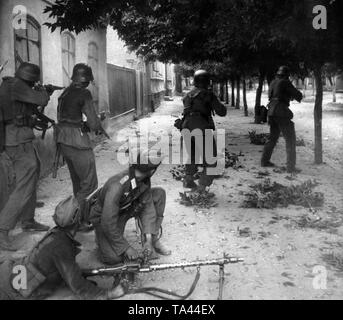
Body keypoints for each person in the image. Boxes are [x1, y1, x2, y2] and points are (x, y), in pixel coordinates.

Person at [0, 196, 125, 300]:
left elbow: (56, 268)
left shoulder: (56, 234)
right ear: (77, 220)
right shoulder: (62, 246)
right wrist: (106, 294)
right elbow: (77, 285)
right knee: (79, 295)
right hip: (15, 292)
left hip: (12, 277)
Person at [0, 62, 51, 252]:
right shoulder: (18, 86)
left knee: (33, 173)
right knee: (23, 184)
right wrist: (43, 90)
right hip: (17, 140)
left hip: (20, 138)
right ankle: (3, 229)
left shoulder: (12, 84)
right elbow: (42, 100)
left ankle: (28, 220)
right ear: (31, 78)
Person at [88, 150, 171, 265]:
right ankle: (101, 240)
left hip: (128, 207)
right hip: (105, 217)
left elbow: (147, 207)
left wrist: (148, 239)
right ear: (152, 171)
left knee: (159, 194)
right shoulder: (116, 187)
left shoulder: (144, 177)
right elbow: (107, 222)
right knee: (113, 258)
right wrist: (126, 248)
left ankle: (152, 241)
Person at [55, 63, 105, 230]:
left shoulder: (65, 93)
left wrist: (84, 124)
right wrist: (97, 125)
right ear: (86, 80)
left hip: (63, 141)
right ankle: (77, 220)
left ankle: (78, 217)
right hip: (78, 142)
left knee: (78, 182)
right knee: (89, 184)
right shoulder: (84, 93)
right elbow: (92, 121)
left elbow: (69, 116)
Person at [181, 70, 227, 192]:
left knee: (193, 155)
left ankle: (188, 179)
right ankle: (201, 188)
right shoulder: (208, 94)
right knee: (211, 160)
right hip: (200, 126)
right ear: (207, 82)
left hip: (186, 127)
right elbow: (222, 112)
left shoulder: (187, 95)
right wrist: (216, 99)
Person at [261, 66, 303, 173]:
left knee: (272, 138)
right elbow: (298, 96)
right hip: (281, 112)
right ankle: (291, 167)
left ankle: (264, 161)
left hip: (271, 112)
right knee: (290, 140)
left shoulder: (273, 82)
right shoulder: (285, 82)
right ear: (286, 75)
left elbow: (275, 95)